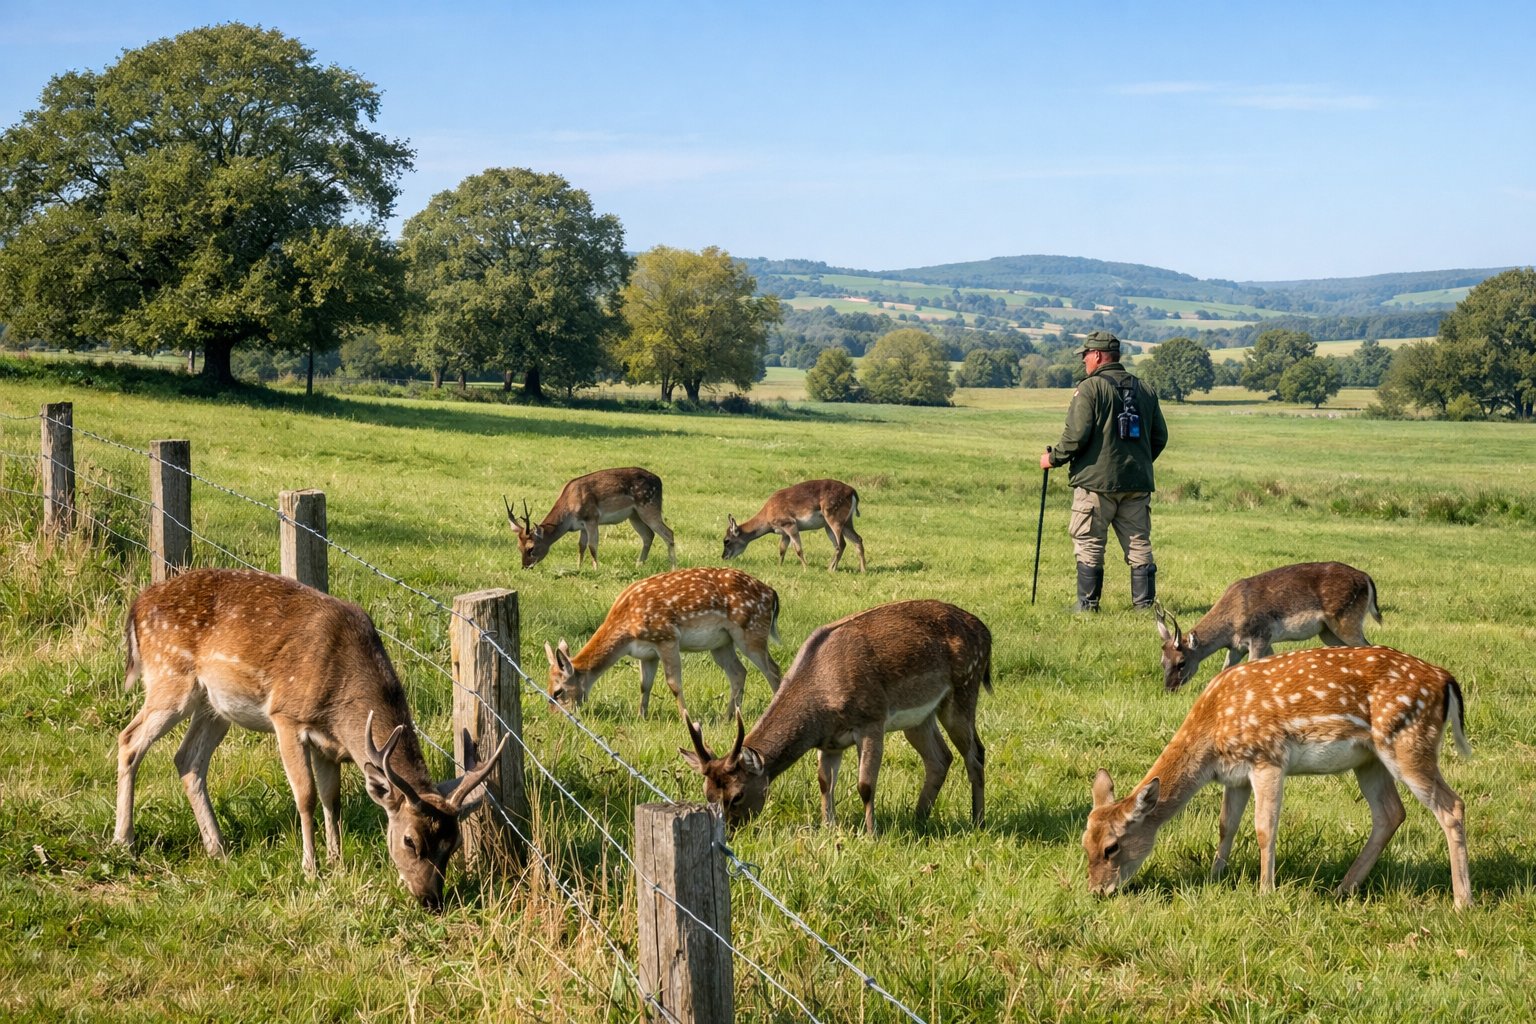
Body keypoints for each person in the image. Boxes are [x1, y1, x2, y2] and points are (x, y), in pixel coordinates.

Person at [1040, 331, 1168, 612]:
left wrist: (1053, 459)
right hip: (1137, 484)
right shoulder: (1144, 389)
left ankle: (1087, 605)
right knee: (1138, 543)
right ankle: (1144, 606)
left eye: (1085, 355)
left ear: (1097, 355)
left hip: (1095, 484)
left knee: (1089, 541)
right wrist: (1137, 463)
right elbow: (1160, 437)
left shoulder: (1090, 388)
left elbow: (1076, 436)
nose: (1083, 360)